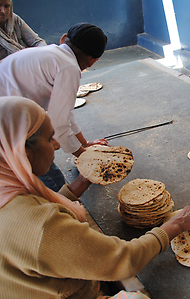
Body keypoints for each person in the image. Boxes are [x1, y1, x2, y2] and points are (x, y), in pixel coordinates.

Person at [0, 96, 190, 299]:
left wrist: (82, 181)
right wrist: (175, 225)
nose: (57, 146)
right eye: (50, 139)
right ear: (21, 151)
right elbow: (123, 260)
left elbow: (41, 206)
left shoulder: (7, 189)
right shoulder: (42, 225)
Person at [0, 22, 109, 191]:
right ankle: (57, 211)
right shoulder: (69, 68)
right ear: (93, 61)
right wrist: (86, 158)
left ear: (64, 39)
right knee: (50, 176)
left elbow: (64, 112)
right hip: (6, 119)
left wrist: (84, 144)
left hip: (8, 108)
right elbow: (58, 125)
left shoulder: (51, 53)